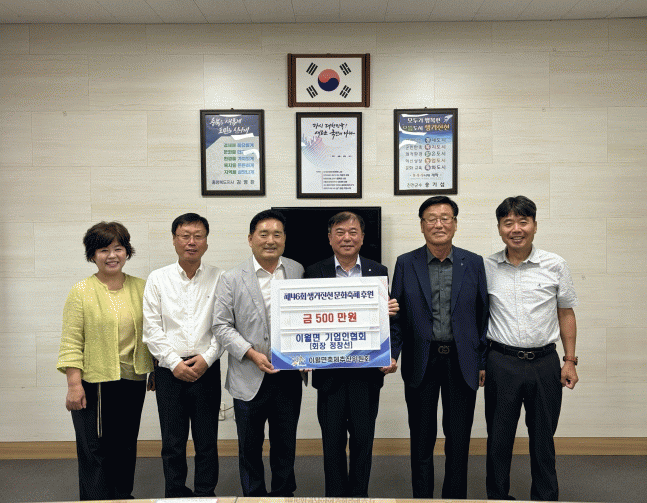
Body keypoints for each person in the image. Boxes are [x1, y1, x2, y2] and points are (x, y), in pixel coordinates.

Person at [390, 196, 489, 499]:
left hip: (462, 361)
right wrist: (391, 353)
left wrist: (482, 361)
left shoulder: (473, 262)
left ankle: (454, 498)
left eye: (445, 218)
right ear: (422, 226)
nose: (438, 224)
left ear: (455, 224)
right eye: (431, 218)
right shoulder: (406, 263)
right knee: (421, 439)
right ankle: (422, 497)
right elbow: (396, 316)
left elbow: (483, 315)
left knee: (458, 439)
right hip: (422, 360)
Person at [484, 196, 579, 501]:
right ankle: (498, 497)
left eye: (523, 222)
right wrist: (480, 363)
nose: (516, 229)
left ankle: (545, 497)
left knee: (543, 438)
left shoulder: (555, 264)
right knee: (498, 438)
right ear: (499, 228)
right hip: (501, 361)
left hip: (544, 362)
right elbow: (475, 316)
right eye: (508, 222)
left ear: (535, 226)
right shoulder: (486, 267)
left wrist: (570, 360)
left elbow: (566, 313)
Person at [57, 221, 154, 501]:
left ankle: (122, 496)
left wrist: (155, 368)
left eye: (118, 248)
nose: (112, 255)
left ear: (127, 252)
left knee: (125, 445)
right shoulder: (81, 291)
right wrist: (74, 384)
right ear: (92, 255)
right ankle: (97, 499)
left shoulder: (142, 287)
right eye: (103, 250)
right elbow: (71, 341)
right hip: (94, 381)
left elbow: (154, 332)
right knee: (95, 448)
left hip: (133, 379)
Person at [304, 211, 398, 497]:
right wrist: (300, 354)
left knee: (362, 442)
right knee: (331, 443)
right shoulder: (314, 271)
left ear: (363, 237)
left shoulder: (377, 271)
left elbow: (388, 322)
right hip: (329, 376)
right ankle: (334, 496)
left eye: (353, 232)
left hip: (366, 375)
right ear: (330, 238)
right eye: (340, 232)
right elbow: (304, 319)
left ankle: (359, 496)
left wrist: (390, 315)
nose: (347, 237)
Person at [213, 209, 304, 497]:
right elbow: (221, 325)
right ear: (250, 239)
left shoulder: (297, 270)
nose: (270, 240)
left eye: (277, 234)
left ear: (285, 239)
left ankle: (284, 494)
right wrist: (251, 353)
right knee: (249, 446)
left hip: (288, 374)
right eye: (263, 234)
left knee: (285, 443)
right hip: (248, 375)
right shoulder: (231, 278)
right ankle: (253, 496)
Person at [142, 213, 223, 498]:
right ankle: (175, 493)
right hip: (169, 371)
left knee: (207, 441)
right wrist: (174, 363)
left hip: (206, 368)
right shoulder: (158, 278)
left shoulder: (220, 278)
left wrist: (207, 358)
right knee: (173, 442)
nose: (191, 242)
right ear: (174, 240)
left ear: (206, 242)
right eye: (185, 236)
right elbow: (152, 328)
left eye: (198, 236)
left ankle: (205, 493)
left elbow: (224, 325)